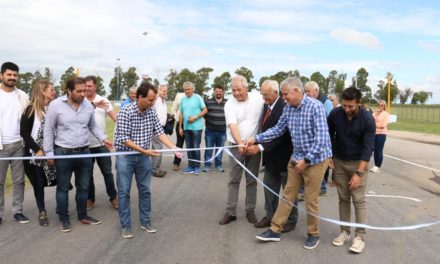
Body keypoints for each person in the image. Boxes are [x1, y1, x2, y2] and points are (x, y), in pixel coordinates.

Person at [251, 77, 332, 250]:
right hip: (296, 158)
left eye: (286, 94)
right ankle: (275, 229)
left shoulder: (315, 106)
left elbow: (322, 139)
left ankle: (313, 234)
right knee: (288, 195)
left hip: (316, 160)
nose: (284, 97)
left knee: (311, 200)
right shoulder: (288, 109)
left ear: (296, 91)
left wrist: (307, 160)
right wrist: (255, 139)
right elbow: (278, 129)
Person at [43, 77, 112, 232]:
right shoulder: (55, 105)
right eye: (79, 91)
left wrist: (103, 138)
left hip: (84, 153)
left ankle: (83, 216)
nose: (83, 94)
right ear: (69, 91)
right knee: (62, 188)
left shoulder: (87, 105)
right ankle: (64, 219)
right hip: (63, 153)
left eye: (84, 91)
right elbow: (48, 130)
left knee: (84, 187)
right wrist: (49, 153)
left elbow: (92, 125)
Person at [114, 82, 182, 239]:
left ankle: (145, 221)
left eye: (153, 100)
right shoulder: (126, 111)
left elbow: (159, 131)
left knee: (145, 190)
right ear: (139, 97)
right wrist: (145, 151)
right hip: (125, 156)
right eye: (150, 100)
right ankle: (126, 225)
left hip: (144, 157)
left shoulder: (151, 111)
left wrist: (173, 147)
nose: (152, 103)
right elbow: (124, 139)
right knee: (124, 192)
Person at [327, 87, 375, 253]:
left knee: (358, 199)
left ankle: (360, 236)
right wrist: (329, 156)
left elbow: (368, 148)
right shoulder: (335, 114)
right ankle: (344, 232)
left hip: (358, 162)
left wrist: (359, 173)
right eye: (344, 105)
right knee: (343, 198)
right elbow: (328, 135)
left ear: (359, 103)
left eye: (351, 106)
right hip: (339, 161)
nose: (347, 109)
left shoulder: (368, 119)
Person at [248, 80, 298, 233]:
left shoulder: (285, 107)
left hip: (284, 157)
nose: (264, 98)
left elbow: (281, 135)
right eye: (262, 94)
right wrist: (256, 139)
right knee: (269, 190)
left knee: (289, 193)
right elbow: (266, 129)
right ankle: (270, 216)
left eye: (266, 95)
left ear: (276, 93)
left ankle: (290, 220)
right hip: (270, 159)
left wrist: (260, 146)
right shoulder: (266, 106)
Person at [218, 75, 263, 225]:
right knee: (234, 179)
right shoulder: (229, 104)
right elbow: (233, 125)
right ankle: (231, 212)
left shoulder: (258, 99)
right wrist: (239, 144)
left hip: (254, 147)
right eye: (233, 90)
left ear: (247, 88)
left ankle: (250, 210)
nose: (236, 93)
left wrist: (255, 143)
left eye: (239, 90)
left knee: (252, 180)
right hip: (236, 146)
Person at [20, 80, 56, 226]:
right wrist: (37, 149)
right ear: (42, 91)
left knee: (60, 180)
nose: (54, 92)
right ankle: (42, 211)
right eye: (51, 89)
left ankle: (61, 207)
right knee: (39, 183)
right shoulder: (30, 109)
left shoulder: (54, 108)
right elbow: (24, 132)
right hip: (36, 154)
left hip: (53, 152)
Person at [0, 62, 30, 225]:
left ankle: (17, 211)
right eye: (9, 74)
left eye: (15, 75)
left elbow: (31, 116)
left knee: (19, 180)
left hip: (19, 144)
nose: (12, 78)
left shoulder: (22, 95)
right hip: (1, 146)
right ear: (1, 75)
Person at [84, 76, 118, 210]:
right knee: (88, 175)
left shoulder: (103, 101)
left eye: (90, 86)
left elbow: (116, 118)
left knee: (107, 173)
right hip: (85, 146)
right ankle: (90, 199)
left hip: (102, 145)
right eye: (85, 86)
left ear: (95, 86)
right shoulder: (80, 100)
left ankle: (113, 198)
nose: (87, 88)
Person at [178, 81, 207, 175]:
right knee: (189, 147)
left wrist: (195, 117)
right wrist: (180, 127)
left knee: (195, 147)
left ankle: (196, 166)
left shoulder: (198, 97)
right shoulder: (182, 100)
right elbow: (181, 113)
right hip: (186, 128)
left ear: (192, 89)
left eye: (188, 89)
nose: (187, 91)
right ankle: (190, 166)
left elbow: (205, 110)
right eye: (185, 90)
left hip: (197, 128)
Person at [202, 85, 227, 172]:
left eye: (220, 91)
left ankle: (218, 165)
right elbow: (204, 114)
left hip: (223, 131)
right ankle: (207, 165)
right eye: (217, 91)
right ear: (214, 91)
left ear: (223, 92)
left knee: (220, 149)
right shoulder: (208, 102)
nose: (218, 93)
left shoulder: (228, 102)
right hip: (210, 131)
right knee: (209, 148)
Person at [151, 84, 169, 178]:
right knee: (158, 148)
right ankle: (155, 169)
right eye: (163, 91)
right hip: (155, 128)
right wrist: (157, 93)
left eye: (166, 91)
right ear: (158, 91)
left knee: (156, 148)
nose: (165, 92)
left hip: (161, 127)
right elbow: (152, 102)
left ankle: (153, 168)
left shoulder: (163, 101)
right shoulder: (156, 100)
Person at [370, 100, 389, 173]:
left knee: (378, 150)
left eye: (382, 105)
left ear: (384, 107)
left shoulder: (386, 114)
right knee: (371, 149)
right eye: (379, 105)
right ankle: (367, 163)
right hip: (373, 134)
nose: (380, 106)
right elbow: (370, 122)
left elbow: (383, 125)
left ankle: (377, 166)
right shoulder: (374, 113)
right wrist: (376, 114)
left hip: (381, 134)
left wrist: (375, 125)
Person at [170, 92, 185, 171]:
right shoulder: (179, 96)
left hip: (191, 124)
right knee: (179, 144)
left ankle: (194, 164)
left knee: (192, 144)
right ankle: (176, 163)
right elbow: (173, 109)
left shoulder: (196, 97)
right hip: (180, 124)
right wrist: (177, 118)